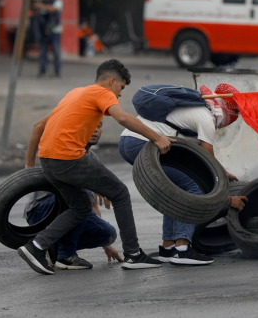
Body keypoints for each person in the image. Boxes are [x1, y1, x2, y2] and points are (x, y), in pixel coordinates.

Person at [18, 59, 174, 275]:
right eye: (120, 88)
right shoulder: (103, 93)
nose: (119, 95)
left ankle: (35, 247)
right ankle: (133, 254)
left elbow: (39, 125)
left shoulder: (75, 93)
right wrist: (157, 137)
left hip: (47, 159)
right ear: (112, 81)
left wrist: (30, 164)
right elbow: (123, 118)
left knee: (81, 207)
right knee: (120, 193)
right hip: (68, 157)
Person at [118, 83, 247, 266]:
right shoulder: (206, 118)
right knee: (190, 188)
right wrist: (227, 198)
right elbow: (209, 168)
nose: (236, 118)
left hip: (128, 141)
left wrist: (224, 173)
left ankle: (168, 247)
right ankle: (182, 249)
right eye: (237, 113)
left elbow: (201, 163)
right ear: (228, 109)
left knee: (176, 191)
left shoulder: (194, 110)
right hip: (140, 143)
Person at [24, 120, 123, 269]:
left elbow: (93, 205)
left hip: (73, 207)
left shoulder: (92, 159)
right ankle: (66, 255)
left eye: (99, 126)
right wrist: (28, 165)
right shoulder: (64, 150)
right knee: (82, 194)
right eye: (91, 125)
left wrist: (106, 245)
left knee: (107, 233)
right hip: (42, 210)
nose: (96, 130)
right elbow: (38, 126)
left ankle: (53, 247)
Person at [33, 0, 63, 78]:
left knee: (56, 52)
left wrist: (40, 5)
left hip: (54, 31)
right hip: (43, 31)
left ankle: (57, 71)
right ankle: (43, 71)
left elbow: (54, 9)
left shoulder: (57, 1)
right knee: (43, 52)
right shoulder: (42, 2)